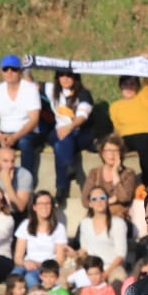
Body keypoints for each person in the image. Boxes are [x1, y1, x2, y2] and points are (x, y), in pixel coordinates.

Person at [0, 55, 43, 180]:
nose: (9, 72)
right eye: (5, 69)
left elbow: (33, 120)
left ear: (20, 71)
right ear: (1, 71)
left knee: (25, 143)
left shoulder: (30, 89)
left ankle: (26, 181)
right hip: (4, 133)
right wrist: (0, 137)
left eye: (13, 69)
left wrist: (15, 136)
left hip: (26, 133)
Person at [107, 69, 148, 191]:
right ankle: (115, 181)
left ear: (138, 86)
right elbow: (117, 127)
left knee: (143, 145)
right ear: (120, 87)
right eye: (125, 84)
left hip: (147, 134)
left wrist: (145, 63)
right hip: (127, 137)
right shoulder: (114, 106)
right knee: (111, 149)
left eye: (132, 84)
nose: (128, 87)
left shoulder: (144, 97)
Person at [48, 70, 97, 205]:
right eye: (61, 75)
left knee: (61, 144)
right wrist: (27, 67)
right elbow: (31, 83)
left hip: (80, 133)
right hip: (59, 132)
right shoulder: (52, 90)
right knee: (60, 139)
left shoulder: (83, 94)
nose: (65, 78)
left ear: (75, 77)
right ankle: (69, 166)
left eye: (69, 75)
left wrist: (68, 128)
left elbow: (82, 116)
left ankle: (61, 188)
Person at [14, 190, 69, 287]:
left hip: (47, 267)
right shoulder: (25, 225)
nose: (44, 207)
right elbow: (17, 257)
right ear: (34, 207)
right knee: (14, 277)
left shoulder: (59, 228)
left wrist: (38, 265)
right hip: (27, 264)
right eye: (40, 204)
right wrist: (25, 263)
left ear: (52, 206)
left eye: (47, 203)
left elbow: (60, 260)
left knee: (30, 278)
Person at [76, 189, 129, 285]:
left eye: (102, 197)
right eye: (94, 199)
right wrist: (75, 254)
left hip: (113, 268)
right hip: (92, 268)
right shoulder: (85, 223)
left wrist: (105, 274)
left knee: (118, 281)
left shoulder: (118, 223)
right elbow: (84, 250)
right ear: (90, 203)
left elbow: (121, 256)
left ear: (107, 200)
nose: (99, 201)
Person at [81, 135, 139, 218]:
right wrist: (109, 201)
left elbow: (124, 198)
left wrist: (115, 172)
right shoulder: (94, 173)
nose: (112, 154)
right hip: (97, 217)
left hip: (119, 217)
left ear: (121, 153)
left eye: (115, 150)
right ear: (103, 154)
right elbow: (85, 201)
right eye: (108, 150)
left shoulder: (128, 173)